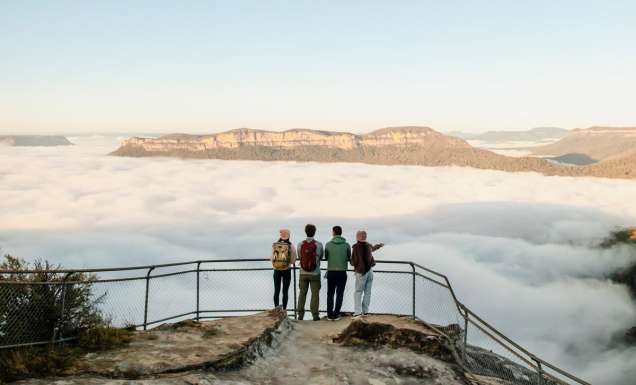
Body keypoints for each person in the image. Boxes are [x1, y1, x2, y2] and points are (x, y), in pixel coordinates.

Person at [350, 230, 384, 318]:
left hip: (361, 272)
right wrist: (379, 246)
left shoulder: (356, 247)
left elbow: (353, 262)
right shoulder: (368, 245)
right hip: (370, 271)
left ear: (358, 237)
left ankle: (357, 312)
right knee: (367, 292)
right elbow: (373, 249)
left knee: (358, 292)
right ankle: (365, 311)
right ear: (365, 237)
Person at [296, 224, 324, 321]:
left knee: (302, 293)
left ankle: (300, 315)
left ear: (305, 232)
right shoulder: (319, 244)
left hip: (303, 273)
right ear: (314, 232)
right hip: (315, 273)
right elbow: (320, 257)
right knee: (315, 294)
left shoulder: (300, 244)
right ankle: (315, 315)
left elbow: (300, 257)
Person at [324, 225, 351, 320]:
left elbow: (326, 257)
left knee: (330, 293)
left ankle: (329, 314)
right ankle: (336, 314)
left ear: (333, 232)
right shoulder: (346, 245)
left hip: (331, 272)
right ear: (341, 233)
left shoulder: (328, 244)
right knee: (340, 293)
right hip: (342, 272)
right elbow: (349, 257)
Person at [271, 228, 297, 310]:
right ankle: (284, 310)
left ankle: (276, 309)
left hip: (276, 270)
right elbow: (293, 260)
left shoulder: (275, 245)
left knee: (276, 290)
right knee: (285, 291)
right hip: (286, 270)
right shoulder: (291, 246)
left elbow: (272, 259)